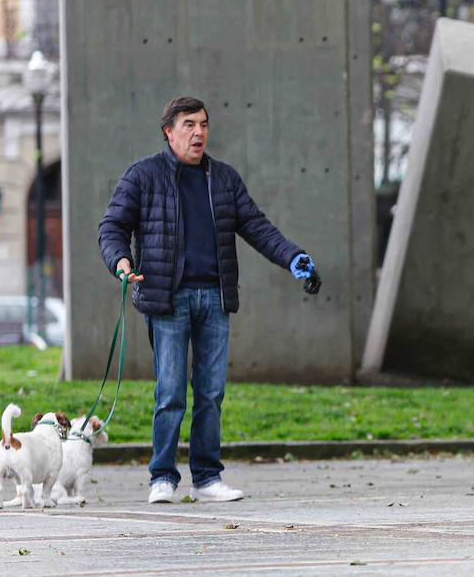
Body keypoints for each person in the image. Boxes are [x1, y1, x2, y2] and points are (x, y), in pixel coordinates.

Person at [98, 96, 318, 504]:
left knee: (211, 392)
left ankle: (207, 478)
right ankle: (162, 477)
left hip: (214, 299)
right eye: (188, 125)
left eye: (203, 124)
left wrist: (293, 257)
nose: (198, 132)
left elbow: (257, 227)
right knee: (171, 393)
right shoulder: (143, 176)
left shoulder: (224, 179)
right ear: (169, 132)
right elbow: (112, 226)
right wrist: (121, 262)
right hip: (167, 299)